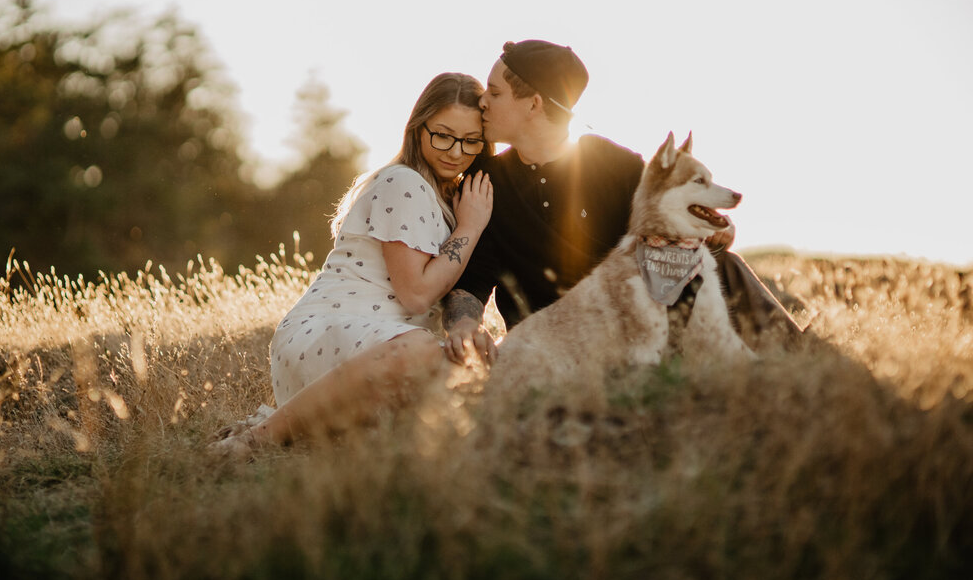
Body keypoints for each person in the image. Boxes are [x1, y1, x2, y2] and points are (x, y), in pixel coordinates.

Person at [441, 39, 803, 364]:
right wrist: (463, 325)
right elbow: (472, 282)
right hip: (556, 348)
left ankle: (815, 368)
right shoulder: (487, 182)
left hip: (637, 330)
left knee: (723, 263)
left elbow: (673, 213)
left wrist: (716, 226)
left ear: (534, 104)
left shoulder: (612, 164)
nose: (482, 101)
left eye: (495, 92)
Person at [211, 72, 495, 455]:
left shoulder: (448, 196)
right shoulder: (404, 182)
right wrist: (471, 225)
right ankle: (255, 440)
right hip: (328, 334)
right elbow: (415, 295)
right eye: (443, 134)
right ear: (417, 127)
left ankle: (307, 433)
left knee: (467, 372)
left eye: (471, 140)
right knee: (422, 351)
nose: (456, 151)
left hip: (381, 348)